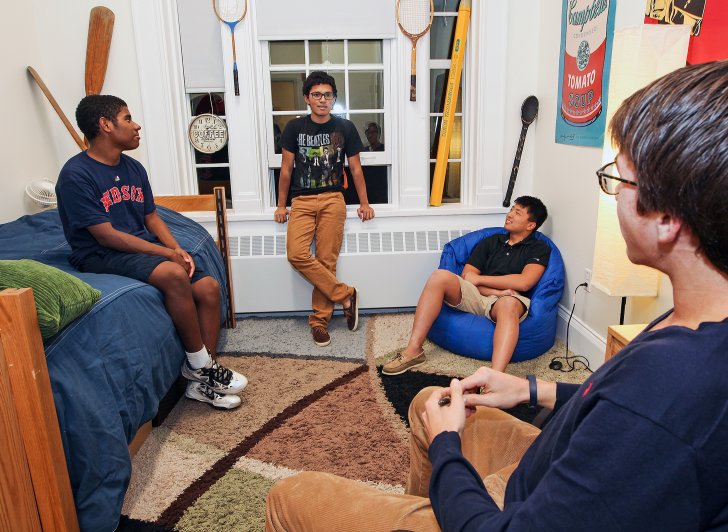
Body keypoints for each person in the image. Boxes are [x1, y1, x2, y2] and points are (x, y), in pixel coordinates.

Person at [264, 60, 728, 530]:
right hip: (544, 463)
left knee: (288, 494)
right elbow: (613, 401)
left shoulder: (676, 386)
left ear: (668, 217)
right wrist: (533, 387)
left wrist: (449, 447)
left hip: (505, 514)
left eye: (619, 180)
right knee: (430, 400)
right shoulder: (688, 323)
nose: (611, 195)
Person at [56, 95, 247, 410]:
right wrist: (167, 257)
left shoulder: (133, 168)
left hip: (137, 244)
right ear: (105, 125)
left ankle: (201, 382)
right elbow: (105, 236)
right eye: (127, 118)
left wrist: (176, 248)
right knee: (173, 274)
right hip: (99, 254)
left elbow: (151, 216)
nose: (136, 125)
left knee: (209, 288)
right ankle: (201, 364)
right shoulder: (76, 175)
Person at [383, 196, 549, 375]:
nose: (509, 215)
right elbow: (468, 276)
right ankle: (414, 350)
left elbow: (524, 282)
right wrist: (494, 289)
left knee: (508, 303)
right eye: (511, 210)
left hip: (509, 300)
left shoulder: (539, 248)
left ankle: (494, 376)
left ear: (530, 225)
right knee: (439, 276)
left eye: (517, 213)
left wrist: (484, 282)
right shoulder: (492, 241)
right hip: (479, 295)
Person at [274, 71, 375, 347]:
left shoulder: (345, 128)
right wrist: (281, 205)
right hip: (302, 201)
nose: (322, 99)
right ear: (307, 98)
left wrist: (365, 203)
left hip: (333, 199)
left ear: (334, 99)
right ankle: (345, 294)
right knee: (296, 254)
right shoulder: (295, 128)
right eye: (316, 94)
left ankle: (320, 321)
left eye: (327, 95)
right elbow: (285, 170)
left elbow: (355, 168)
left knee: (326, 260)